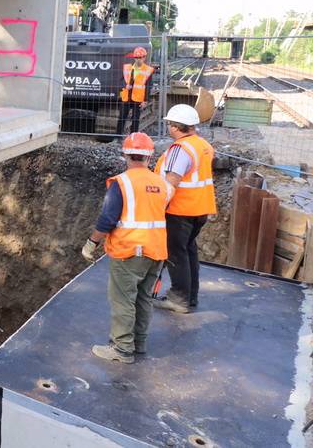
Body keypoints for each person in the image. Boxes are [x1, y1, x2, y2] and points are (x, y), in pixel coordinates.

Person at [81, 132, 171, 363]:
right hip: (157, 251)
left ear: (125, 155)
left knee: (123, 299)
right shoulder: (161, 184)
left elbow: (107, 220)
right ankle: (138, 343)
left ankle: (121, 349)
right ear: (150, 157)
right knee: (143, 298)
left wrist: (91, 243)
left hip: (130, 251)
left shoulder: (122, 183)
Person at [154, 104, 216, 313]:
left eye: (170, 124)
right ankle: (190, 298)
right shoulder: (202, 144)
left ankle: (179, 299)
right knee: (189, 252)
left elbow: (171, 181)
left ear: (175, 127)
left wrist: (157, 205)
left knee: (175, 254)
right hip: (200, 209)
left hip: (180, 210)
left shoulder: (180, 149)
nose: (169, 128)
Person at [116, 47, 155, 135]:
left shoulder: (148, 70)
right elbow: (120, 81)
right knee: (122, 117)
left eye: (140, 57)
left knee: (135, 119)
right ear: (134, 58)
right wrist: (125, 85)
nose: (138, 60)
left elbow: (148, 86)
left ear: (144, 58)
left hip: (138, 98)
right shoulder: (127, 68)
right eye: (137, 58)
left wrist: (145, 100)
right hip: (126, 97)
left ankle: (133, 137)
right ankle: (117, 137)